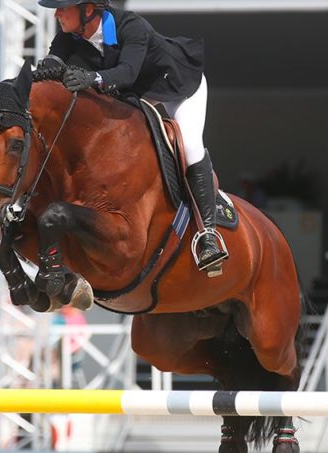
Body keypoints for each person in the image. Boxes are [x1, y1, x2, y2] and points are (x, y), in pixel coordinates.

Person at [37, 0, 227, 274]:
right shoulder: (69, 34)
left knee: (189, 147)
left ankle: (208, 235)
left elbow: (127, 73)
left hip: (177, 86)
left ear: (87, 10)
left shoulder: (131, 26)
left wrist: (92, 78)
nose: (56, 13)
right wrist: (48, 69)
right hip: (135, 93)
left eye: (62, 7)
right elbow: (55, 56)